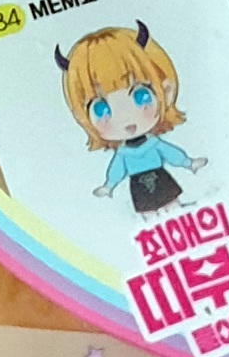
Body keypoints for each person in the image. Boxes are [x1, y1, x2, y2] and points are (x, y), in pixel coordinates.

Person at [59, 22, 202, 218]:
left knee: (172, 204)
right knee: (148, 213)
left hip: (160, 177)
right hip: (138, 185)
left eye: (141, 96)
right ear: (82, 117)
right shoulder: (123, 153)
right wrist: (109, 186)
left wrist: (188, 163)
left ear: (166, 91)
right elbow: (117, 170)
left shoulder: (154, 143)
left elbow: (171, 154)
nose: (125, 117)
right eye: (101, 109)